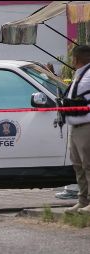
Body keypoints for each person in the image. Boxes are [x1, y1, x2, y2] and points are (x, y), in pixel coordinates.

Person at [64, 45, 90, 214]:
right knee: (78, 165)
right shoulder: (80, 74)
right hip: (75, 125)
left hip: (86, 125)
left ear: (76, 59)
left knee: (88, 164)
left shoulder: (88, 75)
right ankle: (83, 200)